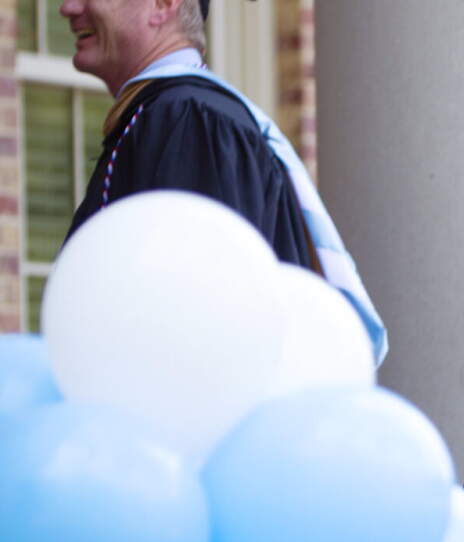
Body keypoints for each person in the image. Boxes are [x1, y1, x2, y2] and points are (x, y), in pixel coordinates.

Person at [60, 0, 386, 361]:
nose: (68, 7)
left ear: (162, 4)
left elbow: (198, 325)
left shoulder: (190, 121)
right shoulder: (166, 115)